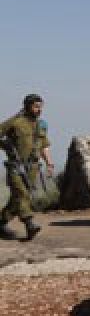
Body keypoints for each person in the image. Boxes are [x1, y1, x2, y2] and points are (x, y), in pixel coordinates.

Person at [0, 94, 54, 241]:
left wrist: (49, 163)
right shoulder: (15, 122)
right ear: (27, 106)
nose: (39, 110)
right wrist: (5, 146)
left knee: (17, 199)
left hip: (33, 168)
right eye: (36, 106)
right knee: (22, 194)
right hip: (15, 167)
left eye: (41, 107)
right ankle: (29, 223)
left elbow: (44, 146)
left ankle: (1, 223)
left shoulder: (41, 125)